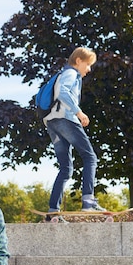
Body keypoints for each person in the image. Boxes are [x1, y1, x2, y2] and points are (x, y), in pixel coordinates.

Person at [43, 46, 104, 222]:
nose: (89, 69)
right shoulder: (71, 73)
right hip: (65, 119)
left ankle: (53, 210)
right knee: (90, 157)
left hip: (52, 122)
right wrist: (79, 112)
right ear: (78, 61)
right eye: (88, 64)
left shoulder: (63, 74)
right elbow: (63, 92)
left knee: (66, 168)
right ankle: (88, 201)